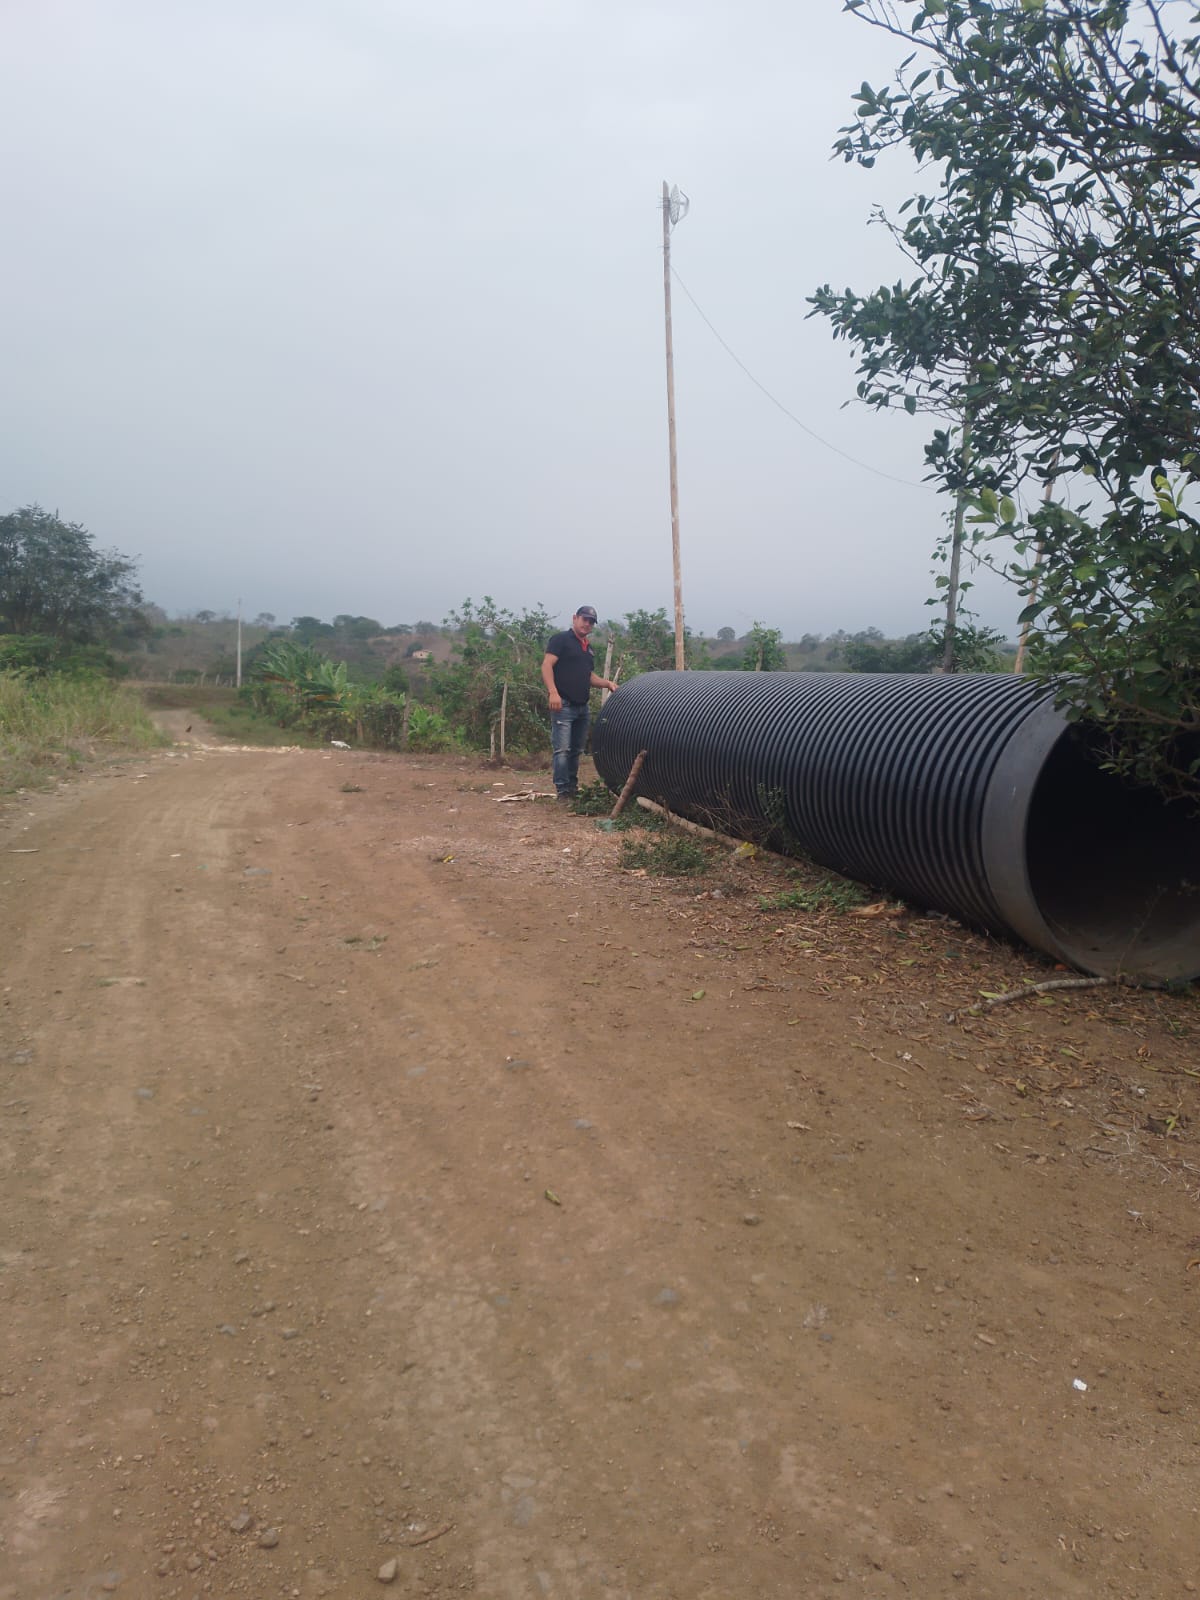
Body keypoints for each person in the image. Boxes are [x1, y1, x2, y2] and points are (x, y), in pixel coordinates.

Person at [541, 606, 618, 801]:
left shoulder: (588, 649)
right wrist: (553, 693)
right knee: (562, 750)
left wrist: (607, 683)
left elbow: (588, 676)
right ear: (575, 618)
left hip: (582, 707)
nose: (587, 624)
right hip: (563, 704)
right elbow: (547, 665)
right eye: (585, 619)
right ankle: (563, 791)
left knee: (575, 751)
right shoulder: (561, 640)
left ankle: (572, 788)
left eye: (591, 622)